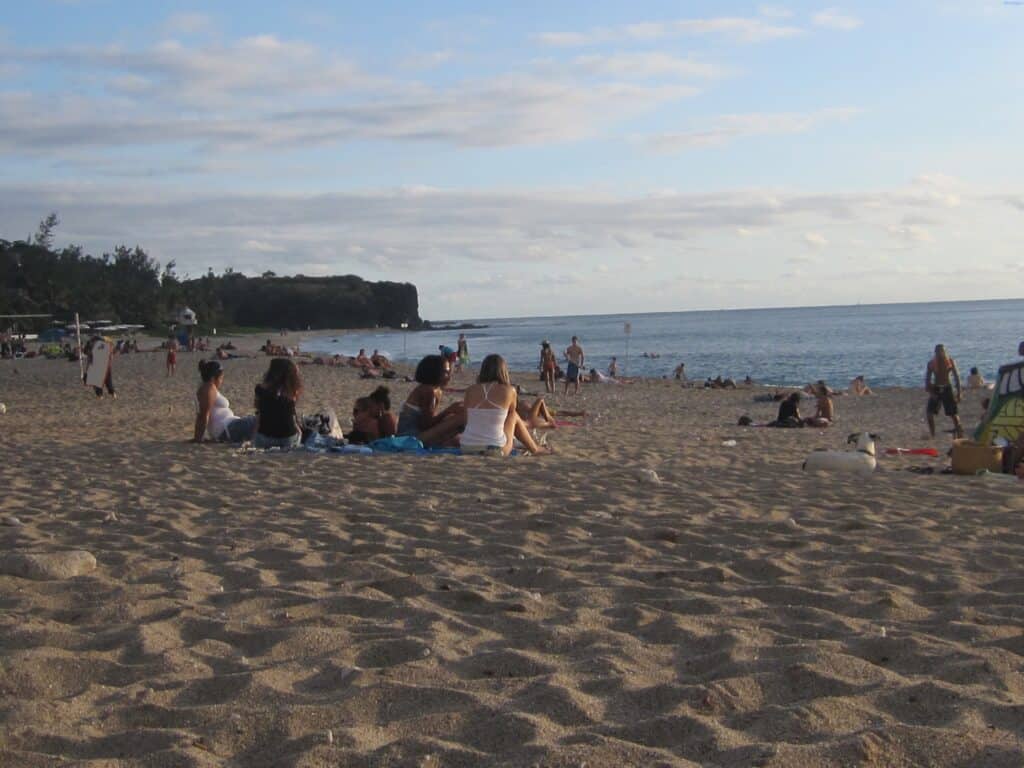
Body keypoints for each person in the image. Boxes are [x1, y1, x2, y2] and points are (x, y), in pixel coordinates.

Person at [460, 354, 550, 455]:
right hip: (496, 449)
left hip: (466, 447)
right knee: (513, 415)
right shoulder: (509, 390)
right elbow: (510, 417)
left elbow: (466, 421)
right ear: (503, 371)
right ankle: (535, 449)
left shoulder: (470, 390)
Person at [397, 354, 465, 446]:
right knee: (460, 418)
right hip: (411, 438)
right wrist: (449, 410)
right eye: (446, 372)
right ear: (434, 373)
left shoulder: (434, 390)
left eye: (449, 372)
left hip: (417, 435)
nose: (449, 376)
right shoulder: (428, 391)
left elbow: (430, 420)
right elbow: (426, 425)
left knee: (453, 420)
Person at [193, 360, 257, 443]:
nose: (221, 381)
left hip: (229, 427)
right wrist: (199, 439)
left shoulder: (206, 387)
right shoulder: (208, 388)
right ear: (213, 378)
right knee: (261, 419)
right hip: (227, 428)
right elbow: (204, 414)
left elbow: (201, 414)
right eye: (221, 378)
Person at [253, 358, 303, 449]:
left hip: (265, 437)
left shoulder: (260, 389)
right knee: (299, 432)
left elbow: (259, 414)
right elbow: (292, 417)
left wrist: (255, 436)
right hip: (287, 438)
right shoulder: (291, 391)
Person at [925, 344, 963, 438]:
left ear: (945, 352)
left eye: (942, 351)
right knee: (929, 413)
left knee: (953, 414)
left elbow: (956, 377)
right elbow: (927, 380)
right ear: (935, 352)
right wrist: (931, 393)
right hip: (936, 388)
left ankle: (959, 433)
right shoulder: (932, 363)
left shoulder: (949, 361)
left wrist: (959, 393)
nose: (940, 353)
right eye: (938, 351)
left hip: (947, 388)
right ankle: (932, 435)